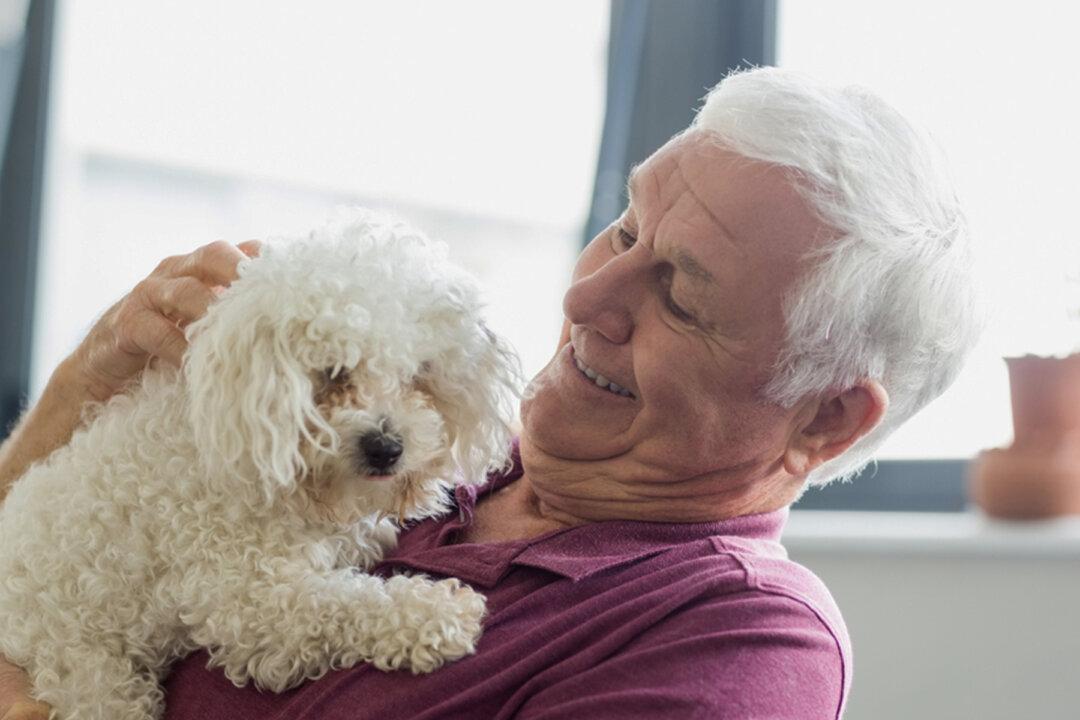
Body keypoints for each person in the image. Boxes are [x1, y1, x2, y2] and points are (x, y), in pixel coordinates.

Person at [0, 67, 980, 719]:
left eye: (678, 293)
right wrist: (80, 393)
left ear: (823, 416)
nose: (585, 294)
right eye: (627, 230)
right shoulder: (439, 445)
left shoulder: (737, 646)